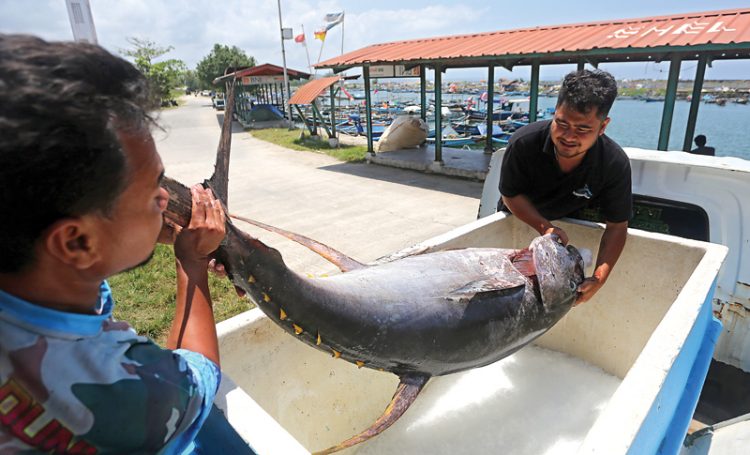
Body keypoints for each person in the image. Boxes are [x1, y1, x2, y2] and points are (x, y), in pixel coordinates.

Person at [0, 34, 227, 453]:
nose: (164, 201)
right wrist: (191, 263)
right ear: (77, 243)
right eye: (152, 191)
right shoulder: (121, 395)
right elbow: (199, 376)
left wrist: (127, 230)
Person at [499, 69, 632, 304]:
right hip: (518, 219)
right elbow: (510, 194)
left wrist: (600, 277)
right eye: (561, 122)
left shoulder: (614, 163)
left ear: (603, 127)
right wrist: (544, 227)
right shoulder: (523, 143)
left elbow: (617, 226)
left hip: (568, 224)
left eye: (583, 129)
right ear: (554, 113)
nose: (569, 136)